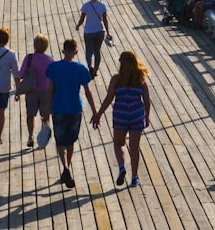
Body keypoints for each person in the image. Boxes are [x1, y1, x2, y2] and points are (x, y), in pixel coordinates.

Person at [92, 51, 151, 187]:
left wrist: (98, 114)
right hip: (136, 116)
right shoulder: (141, 80)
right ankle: (135, 177)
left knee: (119, 144)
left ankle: (122, 167)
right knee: (134, 148)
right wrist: (146, 117)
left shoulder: (116, 80)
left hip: (120, 115)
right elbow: (147, 101)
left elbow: (109, 98)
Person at [44, 39, 97, 189]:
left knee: (60, 141)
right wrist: (95, 112)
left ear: (63, 50)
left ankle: (65, 168)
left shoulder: (53, 67)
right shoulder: (80, 69)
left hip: (58, 108)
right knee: (71, 141)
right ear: (76, 51)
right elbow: (87, 92)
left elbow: (50, 91)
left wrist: (46, 112)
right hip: (75, 109)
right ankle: (67, 167)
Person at [16, 34, 53, 148]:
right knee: (45, 116)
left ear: (35, 45)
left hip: (31, 91)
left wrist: (18, 90)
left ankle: (30, 136)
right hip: (46, 92)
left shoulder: (29, 58)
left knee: (30, 115)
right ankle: (43, 136)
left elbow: (20, 74)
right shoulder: (49, 60)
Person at [76, 0, 111, 78]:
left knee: (89, 51)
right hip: (100, 31)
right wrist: (108, 32)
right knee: (97, 51)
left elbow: (82, 19)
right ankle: (95, 70)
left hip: (88, 31)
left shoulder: (86, 6)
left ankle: (89, 67)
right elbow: (105, 20)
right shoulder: (102, 5)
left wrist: (78, 26)